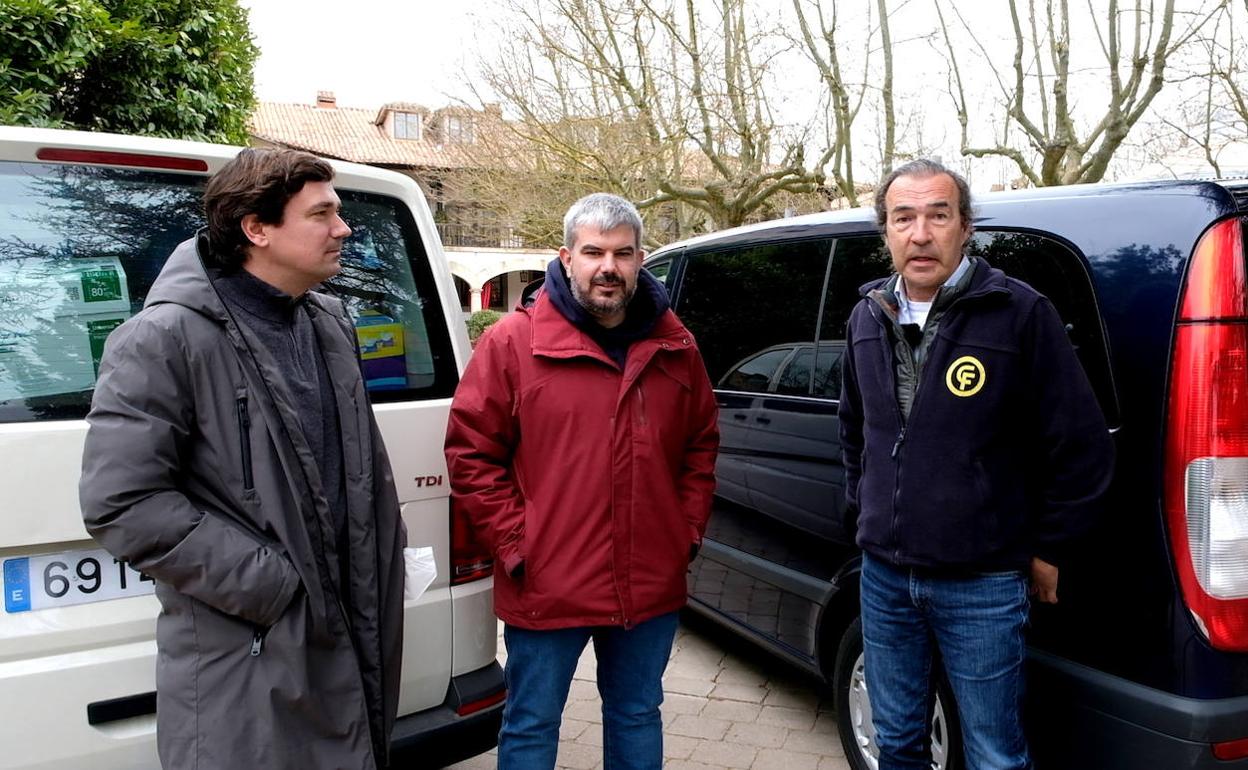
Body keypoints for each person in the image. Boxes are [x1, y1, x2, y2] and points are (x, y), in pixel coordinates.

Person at [79, 149, 406, 770]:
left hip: (350, 627)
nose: (344, 228)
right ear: (256, 229)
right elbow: (123, 503)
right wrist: (273, 585)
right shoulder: (162, 338)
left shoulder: (328, 323)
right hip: (250, 649)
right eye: (322, 214)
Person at [838, 159, 1114, 769]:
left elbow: (1081, 445)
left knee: (995, 754)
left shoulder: (1019, 313)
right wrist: (865, 512)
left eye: (939, 215)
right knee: (898, 740)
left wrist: (1049, 548)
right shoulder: (866, 316)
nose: (920, 232)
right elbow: (855, 429)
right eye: (903, 217)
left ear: (966, 227)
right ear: (885, 231)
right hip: (884, 577)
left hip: (983, 580)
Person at [444, 193, 718, 769]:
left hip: (647, 578)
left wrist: (684, 533)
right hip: (547, 576)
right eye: (593, 252)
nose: (607, 267)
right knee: (532, 723)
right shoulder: (513, 344)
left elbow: (699, 447)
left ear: (641, 259)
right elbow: (471, 454)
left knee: (638, 713)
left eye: (622, 253)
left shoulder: (677, 346)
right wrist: (519, 544)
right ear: (565, 257)